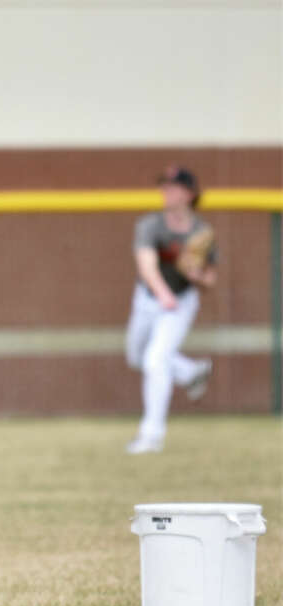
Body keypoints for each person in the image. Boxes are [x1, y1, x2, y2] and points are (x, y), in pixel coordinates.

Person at [124, 165, 217, 454]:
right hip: (149, 298)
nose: (167, 192)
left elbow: (211, 279)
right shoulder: (151, 226)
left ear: (189, 194)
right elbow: (146, 265)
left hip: (181, 303)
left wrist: (195, 274)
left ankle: (151, 435)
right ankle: (190, 373)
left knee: (155, 361)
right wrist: (163, 294)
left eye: (173, 187)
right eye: (164, 186)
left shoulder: (202, 232)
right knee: (137, 356)